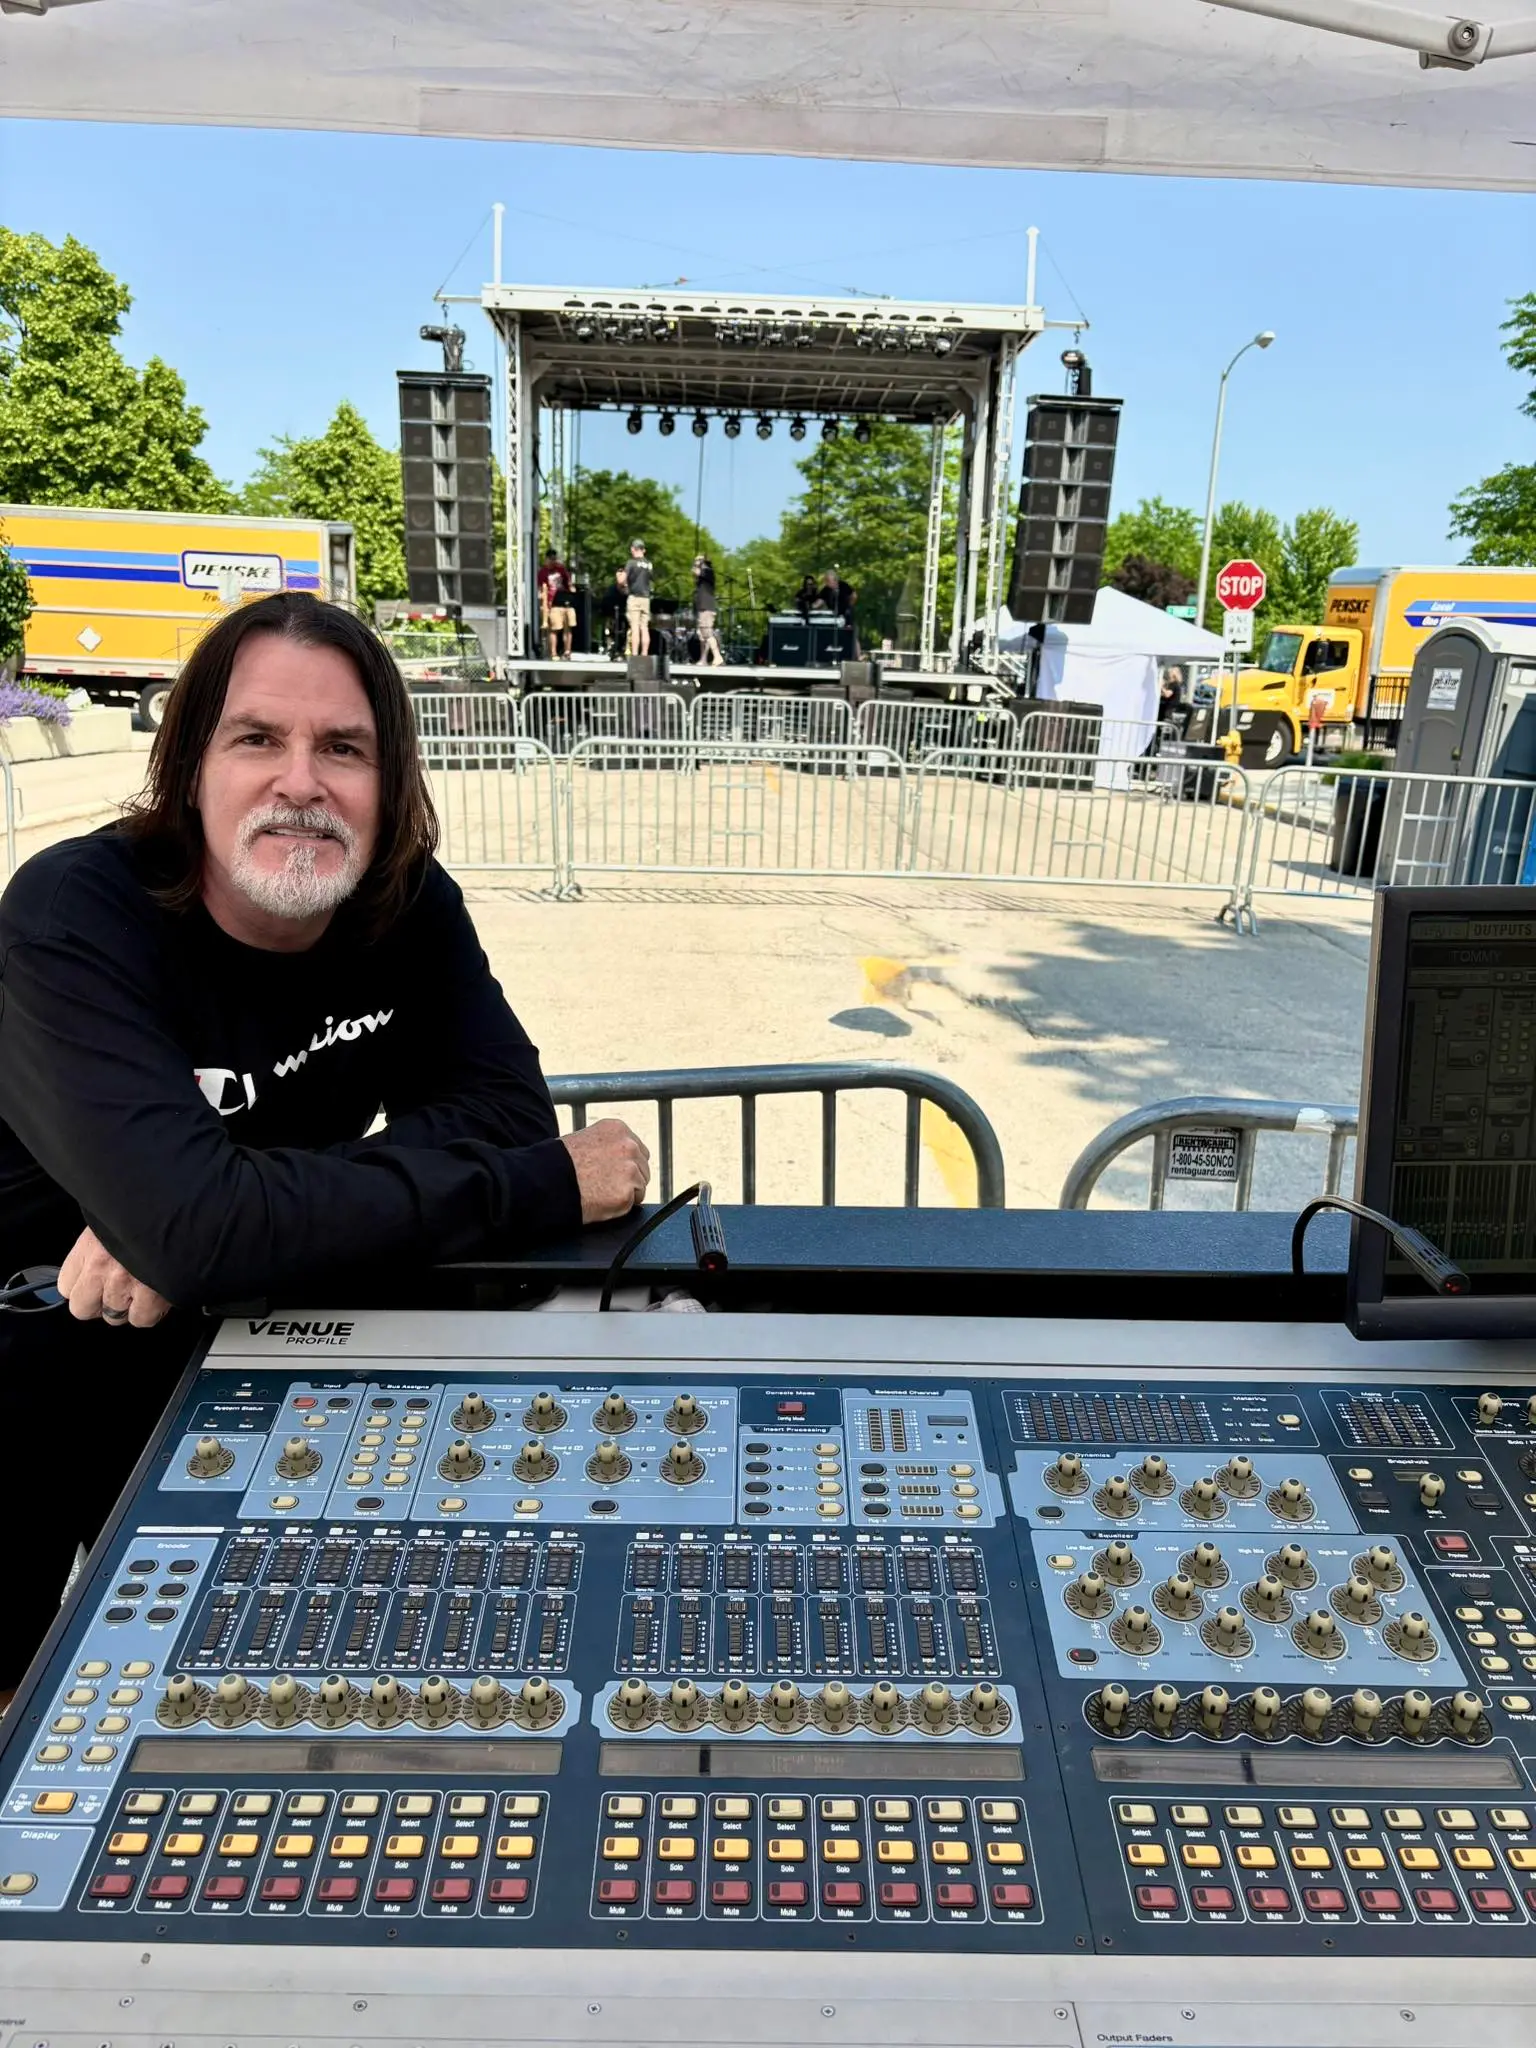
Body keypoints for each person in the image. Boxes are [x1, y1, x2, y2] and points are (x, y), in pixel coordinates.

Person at [0, 592, 650, 1684]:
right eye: (258, 737)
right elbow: (203, 1227)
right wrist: (195, 1218)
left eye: (343, 747)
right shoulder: (73, 910)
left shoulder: (403, 904)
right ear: (188, 764)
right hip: (26, 1368)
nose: (301, 781)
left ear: (389, 779)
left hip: (247, 1348)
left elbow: (504, 1120)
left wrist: (208, 1204)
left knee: (218, 1688)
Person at [621, 540, 652, 657]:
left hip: (634, 597)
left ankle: (634, 654)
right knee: (644, 627)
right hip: (646, 598)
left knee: (634, 627)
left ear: (633, 549)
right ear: (643, 550)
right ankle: (644, 654)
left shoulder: (631, 563)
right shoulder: (649, 564)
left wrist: (622, 582)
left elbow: (621, 580)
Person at [692, 555, 723, 667]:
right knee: (702, 636)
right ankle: (703, 659)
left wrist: (696, 563)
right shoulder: (703, 575)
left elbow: (695, 572)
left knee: (707, 633)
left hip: (706, 607)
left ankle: (717, 656)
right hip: (702, 607)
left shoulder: (708, 571)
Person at [546, 566, 577, 659]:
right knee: (554, 629)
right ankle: (553, 653)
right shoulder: (558, 581)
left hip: (569, 607)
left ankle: (567, 651)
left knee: (568, 630)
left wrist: (570, 584)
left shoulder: (570, 585)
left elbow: (573, 591)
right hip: (556, 607)